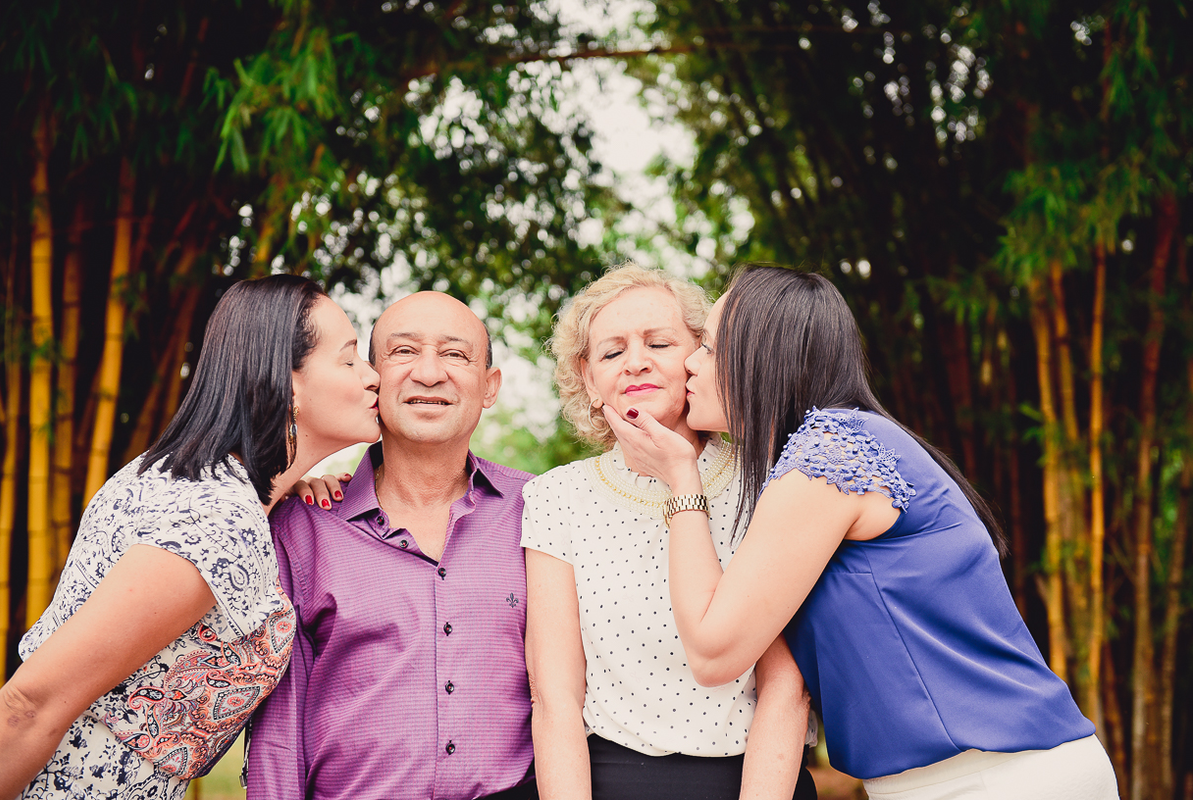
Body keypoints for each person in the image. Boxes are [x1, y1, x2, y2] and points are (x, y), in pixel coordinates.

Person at [605, 265, 1119, 800]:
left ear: (762, 356)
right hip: (967, 776)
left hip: (996, 777)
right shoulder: (840, 445)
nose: (691, 361)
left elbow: (714, 652)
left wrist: (682, 479)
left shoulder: (828, 456)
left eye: (710, 346)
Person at [0, 274, 381, 800]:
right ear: (287, 383)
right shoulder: (217, 519)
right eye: (350, 359)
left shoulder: (192, 480)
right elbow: (28, 706)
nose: (373, 376)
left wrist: (283, 496)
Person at [522, 263, 816, 800]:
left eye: (658, 344)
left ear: (701, 357)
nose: (636, 362)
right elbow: (555, 697)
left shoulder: (770, 480)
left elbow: (785, 685)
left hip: (756, 778)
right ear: (588, 379)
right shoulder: (555, 497)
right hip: (610, 781)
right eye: (611, 352)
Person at [246, 291, 538, 800]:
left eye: (455, 354)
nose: (429, 373)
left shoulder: (542, 513)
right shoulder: (303, 528)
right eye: (404, 351)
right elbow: (278, 734)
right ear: (371, 378)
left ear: (489, 386)